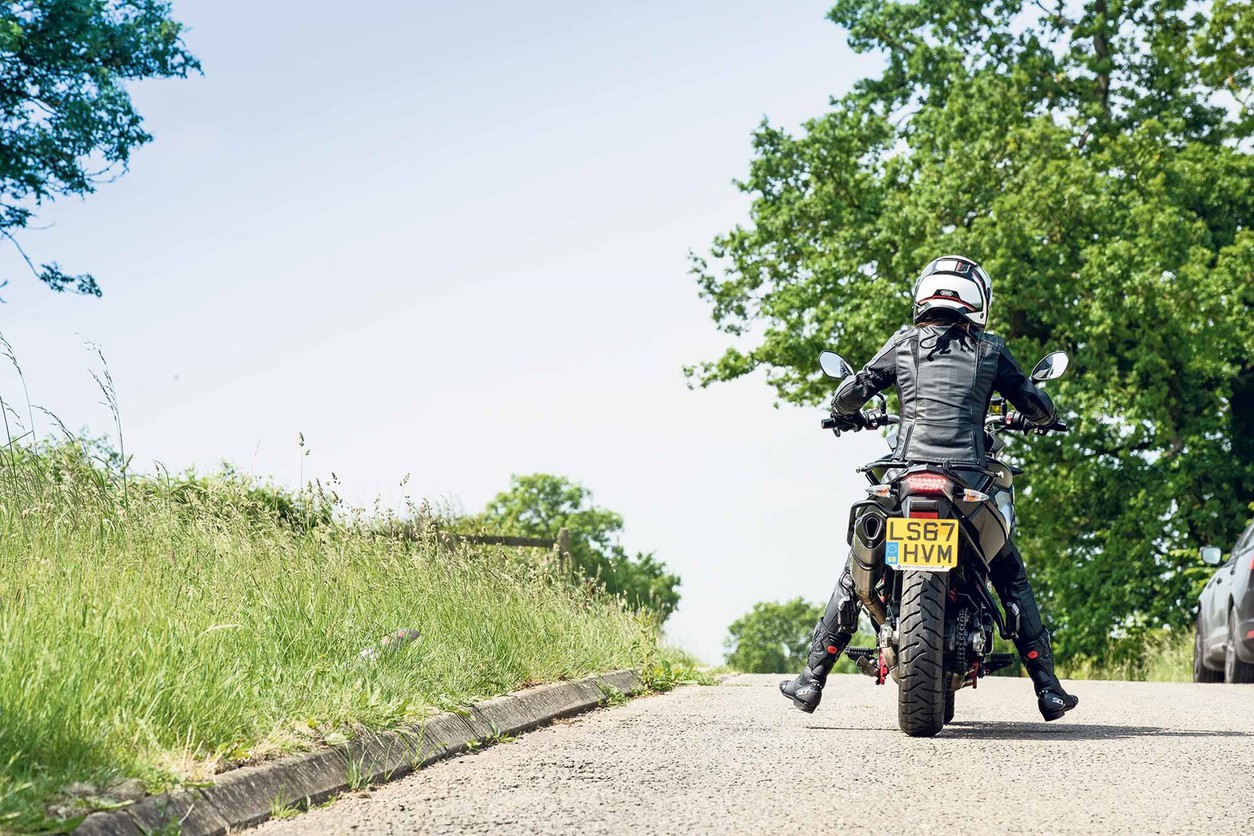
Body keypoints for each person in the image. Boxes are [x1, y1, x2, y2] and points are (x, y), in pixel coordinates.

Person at [779, 255, 1079, 722]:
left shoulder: (904, 343)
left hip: (906, 475)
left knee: (856, 568)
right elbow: (1035, 402)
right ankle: (1047, 688)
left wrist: (844, 412)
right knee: (1008, 573)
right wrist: (1037, 415)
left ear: (923, 297)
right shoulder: (990, 348)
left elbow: (854, 390)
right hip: (968, 482)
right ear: (978, 302)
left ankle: (811, 679)